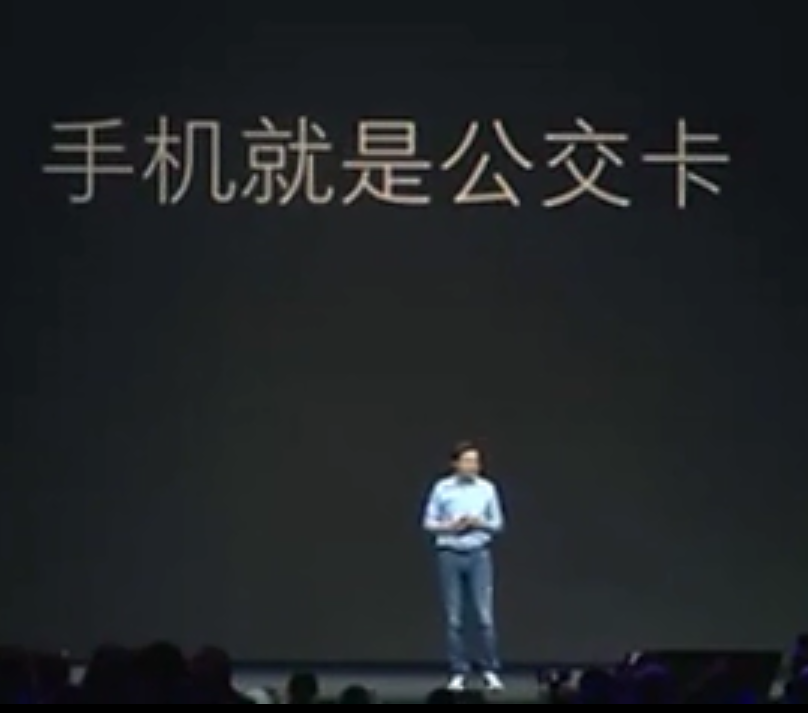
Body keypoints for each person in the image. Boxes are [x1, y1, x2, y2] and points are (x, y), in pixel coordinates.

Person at [421, 441, 504, 691]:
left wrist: (479, 523)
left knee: (484, 616)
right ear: (455, 464)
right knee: (454, 618)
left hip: (479, 554)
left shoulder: (487, 488)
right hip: (449, 554)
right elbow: (428, 523)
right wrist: (451, 527)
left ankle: (490, 670)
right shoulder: (442, 488)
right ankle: (459, 671)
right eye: (467, 461)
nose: (473, 466)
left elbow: (498, 524)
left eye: (476, 461)